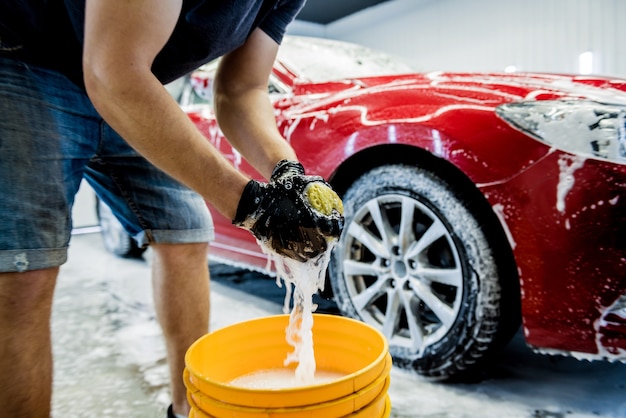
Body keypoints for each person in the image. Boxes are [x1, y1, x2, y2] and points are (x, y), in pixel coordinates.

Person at [0, 0, 343, 417]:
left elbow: (242, 90)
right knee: (23, 274)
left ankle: (188, 410)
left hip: (132, 80)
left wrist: (287, 171)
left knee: (184, 232)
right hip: (29, 63)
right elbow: (113, 73)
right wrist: (254, 207)